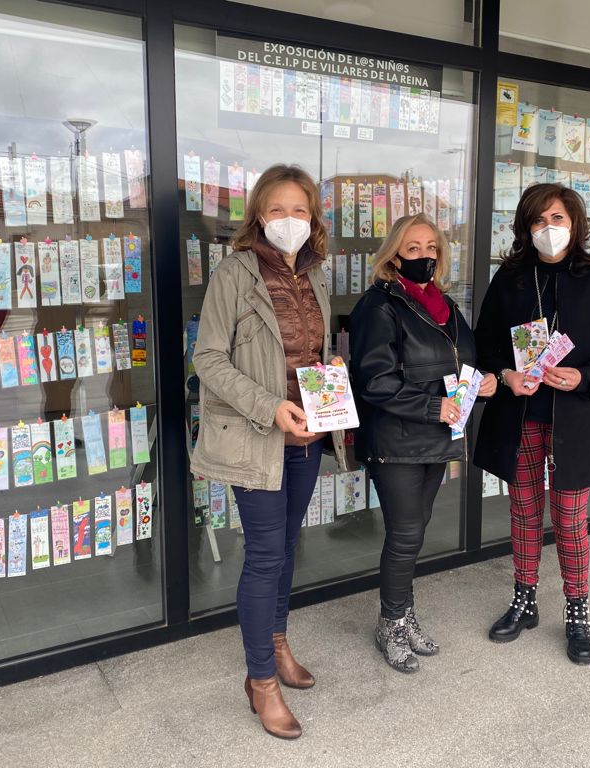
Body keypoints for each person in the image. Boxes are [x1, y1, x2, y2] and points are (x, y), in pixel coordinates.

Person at [191, 164, 347, 739]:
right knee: (263, 555)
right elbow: (207, 359)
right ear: (259, 214)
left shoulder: (316, 276)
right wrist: (270, 408)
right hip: (257, 436)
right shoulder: (235, 274)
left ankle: (277, 642)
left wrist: (328, 377)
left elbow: (311, 350)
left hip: (307, 433)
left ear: (313, 218)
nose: (289, 220)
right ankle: (261, 682)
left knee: (284, 548)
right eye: (277, 210)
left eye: (300, 210)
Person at [473, 183, 590, 665]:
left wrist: (584, 375)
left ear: (575, 224)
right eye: (539, 220)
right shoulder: (512, 277)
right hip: (521, 417)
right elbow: (485, 344)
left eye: (558, 218)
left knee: (568, 518)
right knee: (523, 512)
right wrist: (505, 374)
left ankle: (578, 613)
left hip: (574, 420)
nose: (549, 229)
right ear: (525, 227)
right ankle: (524, 601)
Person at [349, 213, 496, 673]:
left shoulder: (445, 304)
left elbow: (461, 360)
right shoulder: (379, 305)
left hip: (436, 437)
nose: (425, 256)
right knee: (405, 533)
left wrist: (483, 381)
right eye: (413, 248)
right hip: (396, 439)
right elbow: (373, 380)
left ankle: (402, 613)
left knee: (414, 531)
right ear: (393, 254)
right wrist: (434, 406)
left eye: (431, 247)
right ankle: (391, 623)